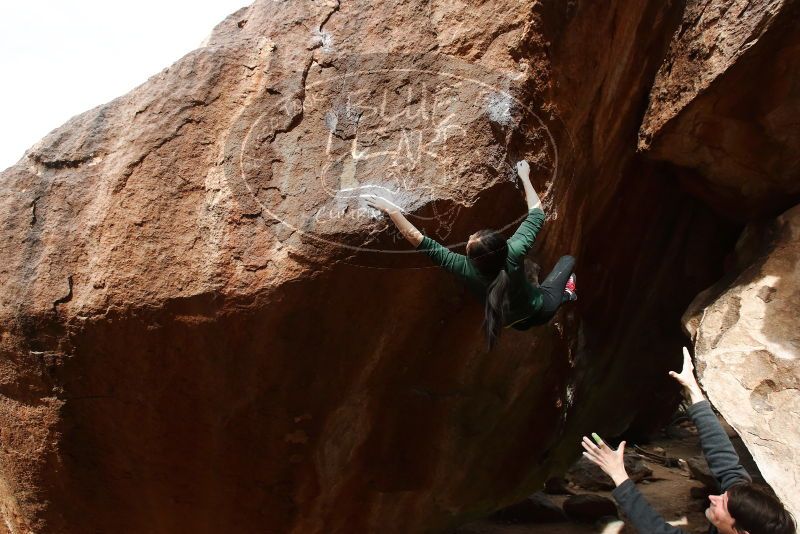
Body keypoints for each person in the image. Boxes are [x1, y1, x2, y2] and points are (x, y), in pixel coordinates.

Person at [363, 160, 576, 349]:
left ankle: (561, 293)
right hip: (540, 309)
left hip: (511, 322)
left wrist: (392, 211)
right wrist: (525, 177)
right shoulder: (514, 250)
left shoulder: (463, 268)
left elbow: (416, 238)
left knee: (540, 273)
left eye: (470, 239)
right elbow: (537, 214)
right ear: (502, 243)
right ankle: (567, 295)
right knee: (568, 261)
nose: (469, 235)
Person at [581, 347, 796, 534]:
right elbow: (723, 458)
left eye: (722, 504)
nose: (714, 496)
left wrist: (619, 474)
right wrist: (693, 390)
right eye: (723, 496)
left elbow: (657, 530)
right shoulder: (740, 501)